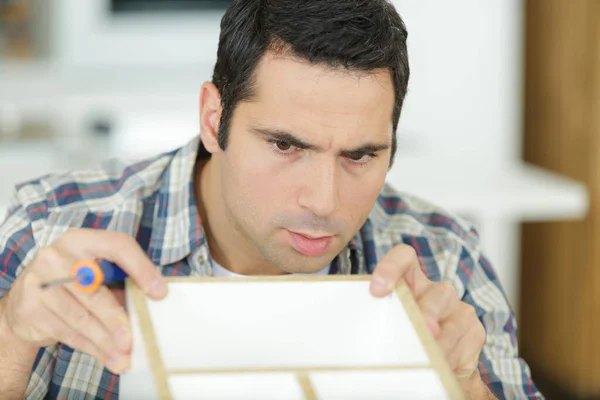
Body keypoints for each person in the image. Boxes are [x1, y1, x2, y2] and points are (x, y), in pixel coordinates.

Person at [0, 0, 542, 399]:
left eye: (361, 156)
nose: (325, 201)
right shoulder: (53, 230)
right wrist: (12, 334)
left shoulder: (445, 260)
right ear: (215, 120)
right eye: (286, 145)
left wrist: (466, 385)